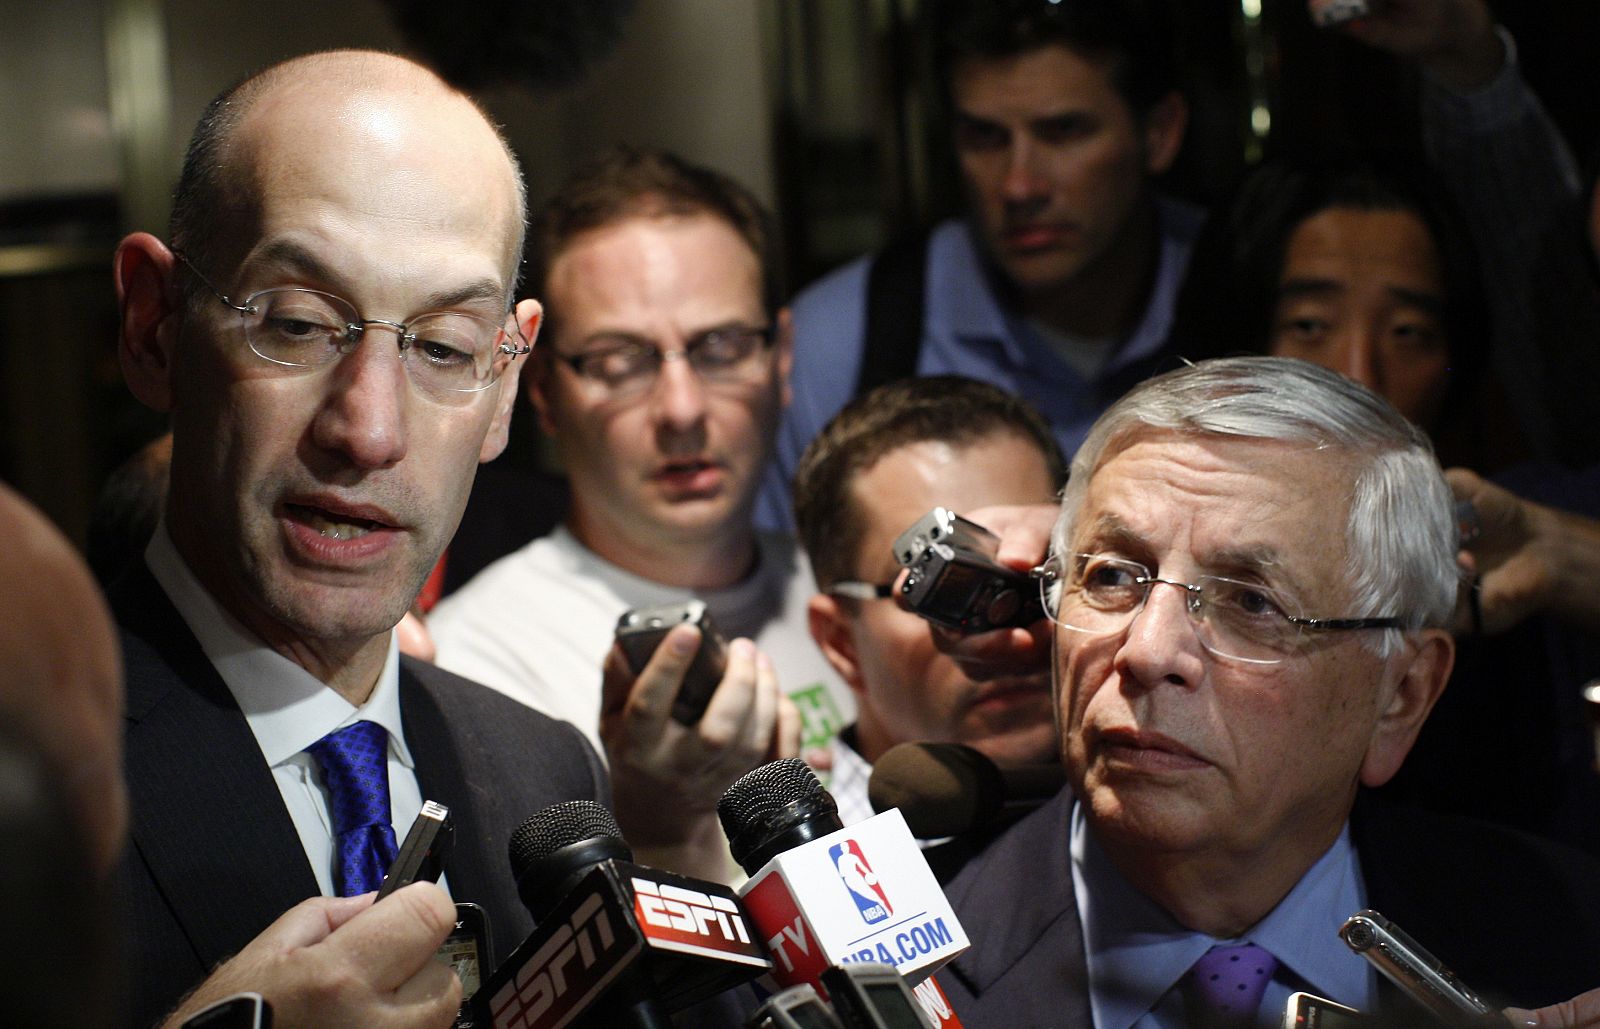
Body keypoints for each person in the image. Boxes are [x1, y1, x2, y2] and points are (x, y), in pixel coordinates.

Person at [110, 50, 608, 1027]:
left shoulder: (546, 775)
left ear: (505, 385)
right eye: (297, 324)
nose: (369, 429)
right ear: (155, 325)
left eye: (443, 348)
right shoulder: (32, 769)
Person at [934, 357, 1600, 1026]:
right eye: (1111, 576)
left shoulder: (1569, 939)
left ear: (1400, 695)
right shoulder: (903, 978)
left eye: (1252, 601)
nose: (1148, 650)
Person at [429, 146, 839, 878]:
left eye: (721, 346)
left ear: (780, 363)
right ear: (545, 393)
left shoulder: (846, 598)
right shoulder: (478, 668)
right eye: (619, 361)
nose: (681, 409)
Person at [756, 0, 1198, 530]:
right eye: (985, 138)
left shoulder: (1249, 288)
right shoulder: (845, 339)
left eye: (1063, 132)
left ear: (1160, 134)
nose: (1019, 185)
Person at [791, 376, 1062, 825]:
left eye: (1029, 572)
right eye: (945, 587)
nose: (1000, 627)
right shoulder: (799, 874)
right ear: (840, 641)